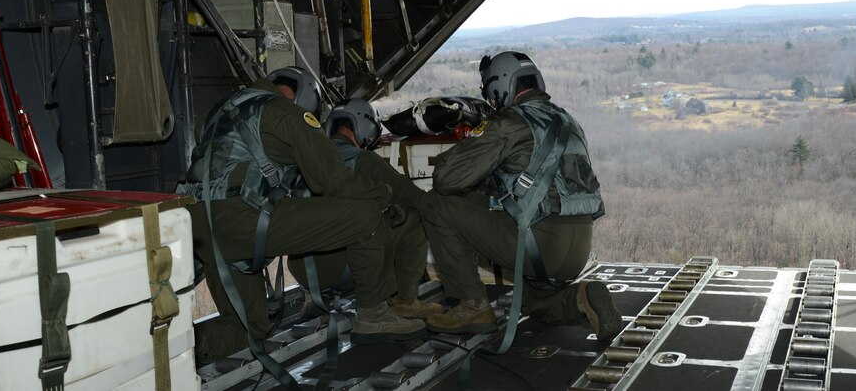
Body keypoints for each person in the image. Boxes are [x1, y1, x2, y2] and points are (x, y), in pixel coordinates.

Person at [180, 67, 425, 363]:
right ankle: (373, 314)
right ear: (306, 98)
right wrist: (385, 196)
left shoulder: (220, 111)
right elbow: (333, 181)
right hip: (241, 219)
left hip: (198, 225)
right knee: (367, 213)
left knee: (250, 327)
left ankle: (182, 349)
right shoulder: (286, 113)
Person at [421, 51, 623, 340]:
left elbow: (446, 180)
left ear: (499, 88)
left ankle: (471, 305)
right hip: (577, 248)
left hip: (538, 244)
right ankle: (582, 296)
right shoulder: (568, 121)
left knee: (435, 204)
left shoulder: (507, 123)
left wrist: (469, 143)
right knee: (532, 302)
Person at [288, 98, 440, 319]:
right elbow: (411, 196)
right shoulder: (362, 159)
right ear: (366, 127)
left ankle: (316, 297)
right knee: (413, 214)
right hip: (338, 268)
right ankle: (406, 301)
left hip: (301, 268)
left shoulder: (309, 157)